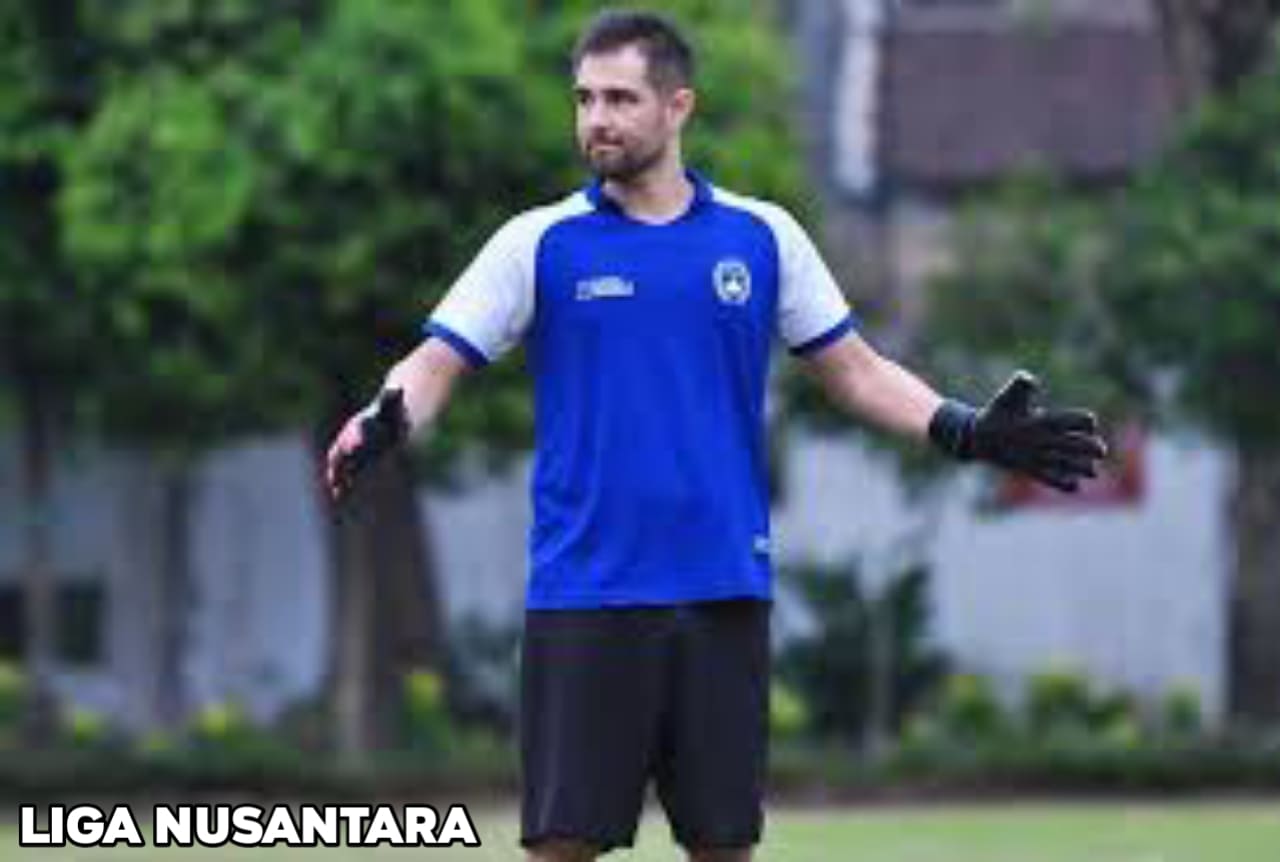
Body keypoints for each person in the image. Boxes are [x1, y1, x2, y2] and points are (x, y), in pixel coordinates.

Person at [324, 9, 1107, 861]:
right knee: (561, 846)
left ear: (678, 106)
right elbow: (435, 363)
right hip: (588, 592)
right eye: (584, 99)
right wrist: (386, 414)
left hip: (722, 591)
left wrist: (961, 429)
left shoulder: (761, 237)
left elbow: (855, 371)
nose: (597, 119)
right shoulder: (537, 243)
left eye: (620, 98)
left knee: (724, 848)